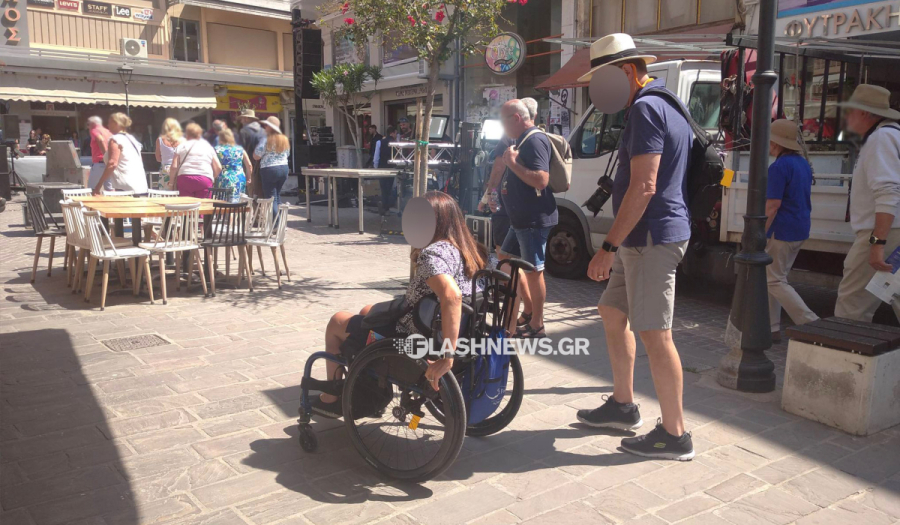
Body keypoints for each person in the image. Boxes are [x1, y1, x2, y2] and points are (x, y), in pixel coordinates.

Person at [577, 34, 694, 461]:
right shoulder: (665, 103)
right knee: (612, 312)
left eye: (604, 77)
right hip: (641, 237)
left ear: (626, 71)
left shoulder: (646, 108)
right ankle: (623, 406)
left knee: (655, 334)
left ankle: (675, 434)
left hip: (651, 238)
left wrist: (607, 246)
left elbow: (644, 185)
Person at [312, 191, 487, 417]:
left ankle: (333, 397)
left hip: (415, 341)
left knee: (337, 321)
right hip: (452, 330)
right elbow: (519, 275)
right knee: (366, 311)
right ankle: (372, 387)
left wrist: (447, 355)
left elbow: (452, 296)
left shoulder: (433, 254)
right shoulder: (471, 250)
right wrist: (509, 329)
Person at [834, 84, 900, 322]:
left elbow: (888, 193)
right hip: (893, 230)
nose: (846, 117)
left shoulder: (880, 138)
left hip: (885, 232)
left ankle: (846, 358)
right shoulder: (891, 135)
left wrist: (876, 243)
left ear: (864, 113)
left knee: (851, 307)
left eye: (850, 111)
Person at [497, 99, 556, 338]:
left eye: (503, 120)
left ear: (516, 118)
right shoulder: (521, 140)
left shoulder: (535, 140)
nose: (501, 125)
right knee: (504, 256)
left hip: (533, 220)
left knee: (534, 271)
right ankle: (529, 310)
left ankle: (538, 325)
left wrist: (511, 163)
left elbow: (541, 179)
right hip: (520, 220)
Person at [765, 119, 818, 341]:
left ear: (776, 144)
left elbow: (772, 206)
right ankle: (772, 328)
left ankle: (811, 323)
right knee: (776, 278)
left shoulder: (778, 167)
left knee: (774, 280)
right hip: (799, 228)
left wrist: (760, 232)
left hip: (782, 230)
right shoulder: (803, 163)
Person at [478, 134, 534, 330]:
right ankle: (529, 308)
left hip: (505, 205)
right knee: (516, 262)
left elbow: (498, 169)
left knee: (506, 260)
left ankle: (513, 320)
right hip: (524, 206)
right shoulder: (535, 137)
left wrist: (486, 198)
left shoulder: (508, 138)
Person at [93, 113, 148, 195]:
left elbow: (112, 163)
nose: (107, 125)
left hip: (126, 187)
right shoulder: (132, 139)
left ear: (116, 123)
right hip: (141, 185)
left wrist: (98, 185)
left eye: (109, 122)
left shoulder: (115, 139)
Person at [169, 123, 221, 198]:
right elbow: (218, 167)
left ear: (187, 134)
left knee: (186, 207)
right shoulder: (208, 146)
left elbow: (174, 167)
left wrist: (171, 184)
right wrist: (211, 177)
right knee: (204, 207)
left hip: (185, 178)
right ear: (199, 134)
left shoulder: (181, 146)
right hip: (204, 179)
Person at [254, 117, 290, 214]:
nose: (264, 127)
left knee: (271, 198)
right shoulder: (284, 139)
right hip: (284, 168)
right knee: (277, 195)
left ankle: (275, 225)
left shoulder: (266, 139)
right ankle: (280, 224)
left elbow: (256, 156)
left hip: (269, 168)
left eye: (266, 125)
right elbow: (287, 154)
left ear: (270, 127)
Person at [215, 128, 251, 202]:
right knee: (239, 203)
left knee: (223, 204)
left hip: (223, 178)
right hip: (239, 178)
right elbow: (249, 165)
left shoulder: (217, 149)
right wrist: (248, 177)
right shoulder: (240, 149)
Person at [237, 109, 266, 197]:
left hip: (249, 164)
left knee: (249, 192)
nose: (241, 121)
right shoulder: (263, 131)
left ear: (246, 119)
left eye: (242, 119)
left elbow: (240, 150)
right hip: (263, 164)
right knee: (261, 191)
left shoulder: (244, 131)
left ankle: (251, 209)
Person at [154, 118, 185, 191]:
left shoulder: (160, 140)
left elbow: (158, 158)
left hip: (166, 169)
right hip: (180, 169)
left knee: (165, 194)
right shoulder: (183, 140)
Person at [373, 126, 397, 214]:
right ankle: (388, 207)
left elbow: (376, 156)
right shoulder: (396, 143)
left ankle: (384, 207)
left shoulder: (380, 142)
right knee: (389, 188)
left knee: (383, 188)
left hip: (382, 167)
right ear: (393, 133)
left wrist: (376, 167)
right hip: (392, 168)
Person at [86, 116, 113, 190]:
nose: (88, 127)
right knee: (110, 189)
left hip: (100, 163)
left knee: (91, 189)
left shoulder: (94, 130)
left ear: (92, 124)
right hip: (109, 164)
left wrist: (105, 155)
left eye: (88, 124)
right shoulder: (108, 132)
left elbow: (100, 140)